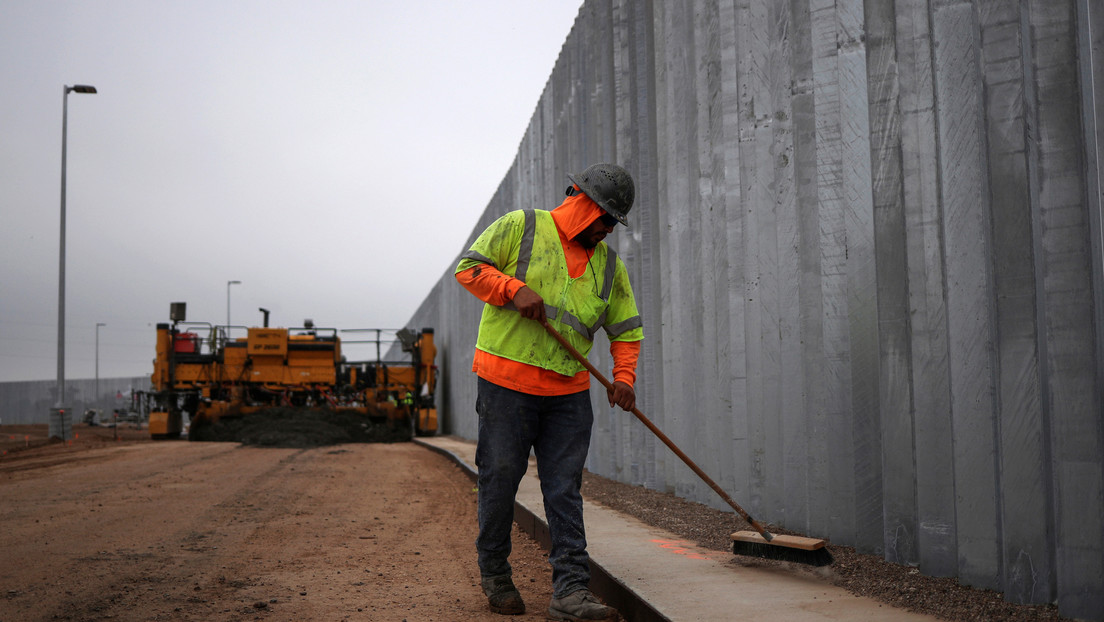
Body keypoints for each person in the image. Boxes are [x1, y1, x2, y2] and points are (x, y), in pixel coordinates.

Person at [454, 163, 644, 620]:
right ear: (581, 201)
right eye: (603, 220)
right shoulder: (521, 226)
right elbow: (469, 268)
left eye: (611, 225)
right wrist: (511, 288)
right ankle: (496, 574)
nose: (604, 231)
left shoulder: (609, 266)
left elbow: (627, 330)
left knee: (564, 489)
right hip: (507, 385)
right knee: (500, 476)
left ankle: (571, 591)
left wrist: (624, 379)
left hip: (569, 395)